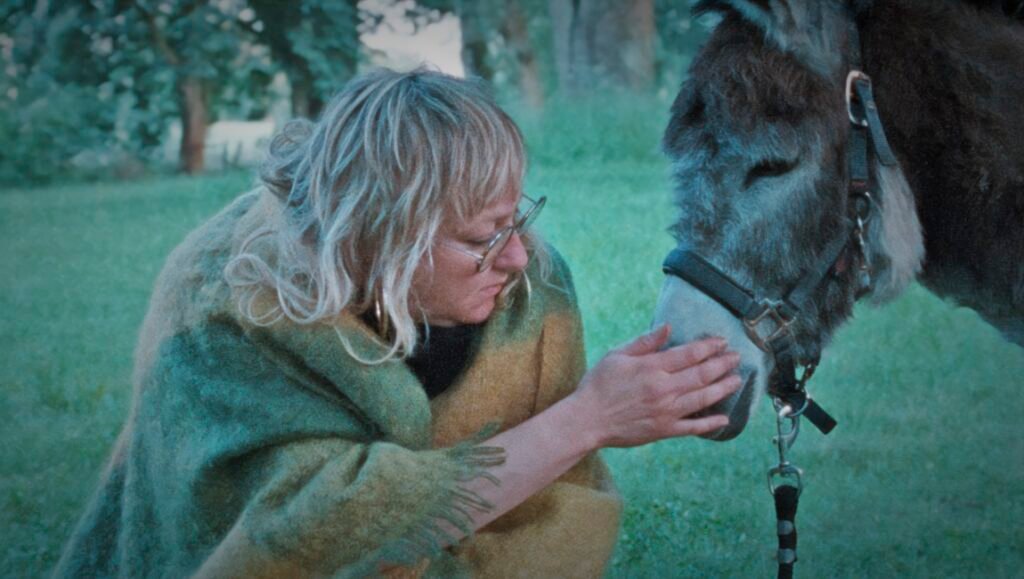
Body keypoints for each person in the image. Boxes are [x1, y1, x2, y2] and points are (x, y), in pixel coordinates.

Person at [54, 68, 741, 578]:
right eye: (482, 237)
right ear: (382, 238)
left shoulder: (530, 284)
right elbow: (304, 527)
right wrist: (588, 417)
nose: (518, 254)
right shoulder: (220, 303)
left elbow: (552, 496)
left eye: (517, 218)